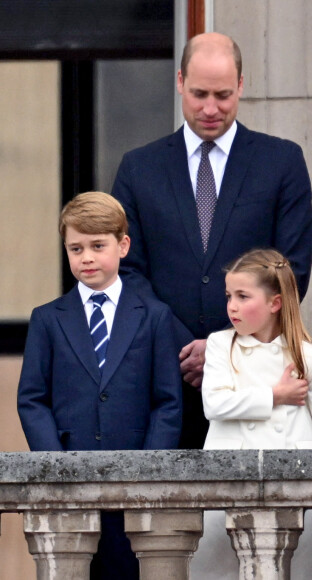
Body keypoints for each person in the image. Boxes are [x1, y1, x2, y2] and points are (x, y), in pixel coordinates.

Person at [111, 32, 312, 450]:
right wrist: (183, 346)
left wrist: (223, 346)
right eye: (199, 93)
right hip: (163, 380)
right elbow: (125, 269)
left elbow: (291, 268)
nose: (210, 108)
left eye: (223, 95)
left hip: (255, 379)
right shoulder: (138, 168)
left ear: (241, 85)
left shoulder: (282, 162)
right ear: (180, 81)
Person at [17, 192, 182, 580]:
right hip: (69, 479)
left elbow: (168, 401)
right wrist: (54, 463)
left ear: (123, 245)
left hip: (135, 480)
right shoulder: (47, 319)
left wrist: (150, 466)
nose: (86, 257)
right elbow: (32, 399)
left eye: (97, 246)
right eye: (76, 248)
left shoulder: (155, 316)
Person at [192, 248, 312, 579]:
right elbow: (214, 404)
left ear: (274, 303)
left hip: (296, 490)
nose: (232, 305)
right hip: (229, 485)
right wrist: (276, 395)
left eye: (243, 296)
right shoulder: (220, 346)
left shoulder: (306, 356)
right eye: (229, 295)